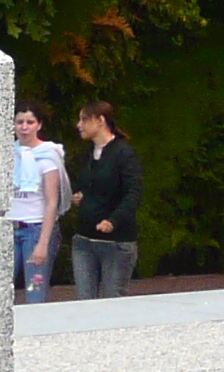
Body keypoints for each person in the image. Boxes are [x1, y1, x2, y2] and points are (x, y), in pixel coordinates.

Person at [65, 101, 143, 299]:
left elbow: (133, 192)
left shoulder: (123, 153)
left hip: (115, 244)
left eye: (84, 119)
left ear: (100, 121)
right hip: (84, 241)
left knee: (112, 302)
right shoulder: (87, 154)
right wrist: (81, 196)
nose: (79, 125)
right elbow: (93, 186)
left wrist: (113, 221)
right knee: (84, 301)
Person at [9, 106, 67, 305]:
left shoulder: (47, 155)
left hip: (35, 229)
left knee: (35, 290)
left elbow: (52, 202)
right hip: (9, 228)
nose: (24, 127)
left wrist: (43, 244)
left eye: (30, 122)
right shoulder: (7, 154)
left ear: (39, 125)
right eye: (20, 122)